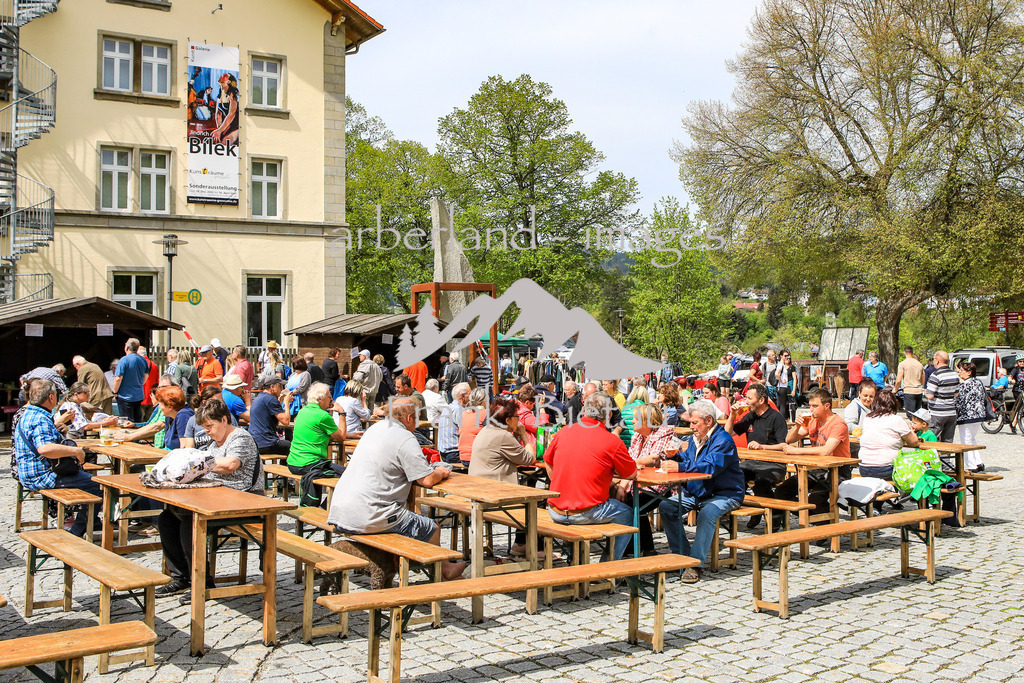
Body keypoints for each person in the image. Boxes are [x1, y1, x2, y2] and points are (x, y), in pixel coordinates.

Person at [327, 398, 468, 580]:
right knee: (432, 528)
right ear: (409, 417)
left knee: (407, 519)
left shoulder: (375, 429)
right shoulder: (405, 437)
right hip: (370, 514)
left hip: (341, 510)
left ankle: (416, 563)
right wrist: (440, 472)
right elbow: (426, 480)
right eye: (417, 417)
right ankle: (442, 571)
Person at [156, 398, 264, 597]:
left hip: (244, 499)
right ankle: (181, 576)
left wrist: (198, 462)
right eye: (204, 427)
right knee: (167, 518)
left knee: (189, 519)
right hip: (219, 496)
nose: (207, 431)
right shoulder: (215, 442)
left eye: (209, 426)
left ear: (224, 420)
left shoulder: (240, 437)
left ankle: (202, 581)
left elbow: (230, 464)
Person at [658, 400, 745, 583]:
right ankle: (682, 556)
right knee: (666, 506)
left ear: (709, 421)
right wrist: (675, 456)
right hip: (698, 492)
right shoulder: (693, 439)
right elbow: (691, 460)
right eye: (690, 423)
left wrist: (680, 466)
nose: (691, 427)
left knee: (706, 514)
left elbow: (710, 467)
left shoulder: (723, 441)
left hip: (725, 492)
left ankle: (695, 564)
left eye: (695, 423)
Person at [545, 392, 637, 562]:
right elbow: (631, 474)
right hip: (585, 511)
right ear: (609, 415)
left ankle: (574, 557)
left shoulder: (564, 431)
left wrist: (559, 485)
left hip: (555, 509)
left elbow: (548, 462)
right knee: (627, 513)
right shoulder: (611, 440)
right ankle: (606, 567)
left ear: (584, 411)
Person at [14, 379, 100, 537]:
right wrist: (76, 451)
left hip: (31, 472)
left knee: (89, 482)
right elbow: (45, 449)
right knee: (99, 486)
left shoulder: (29, 413)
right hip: (43, 475)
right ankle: (76, 533)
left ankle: (89, 521)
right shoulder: (40, 418)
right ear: (51, 397)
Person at [469, 395, 535, 553]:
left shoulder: (487, 430)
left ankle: (521, 544)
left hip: (479, 489)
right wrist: (524, 436)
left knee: (531, 487)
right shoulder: (502, 436)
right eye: (516, 417)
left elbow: (514, 453)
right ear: (507, 420)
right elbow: (530, 458)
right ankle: (525, 546)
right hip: (494, 494)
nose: (519, 421)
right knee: (537, 501)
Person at [726, 383, 788, 529]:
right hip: (752, 463)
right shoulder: (750, 416)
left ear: (761, 400)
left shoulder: (776, 417)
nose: (746, 401)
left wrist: (762, 447)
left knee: (761, 482)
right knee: (731, 475)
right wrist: (732, 415)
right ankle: (749, 510)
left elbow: (784, 445)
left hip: (774, 463)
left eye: (749, 398)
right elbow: (728, 433)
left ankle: (775, 515)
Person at [617, 403, 675, 557]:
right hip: (638, 484)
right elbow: (631, 463)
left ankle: (631, 549)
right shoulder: (637, 437)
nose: (632, 422)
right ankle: (645, 549)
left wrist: (632, 464)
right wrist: (622, 487)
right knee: (620, 501)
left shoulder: (664, 433)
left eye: (636, 419)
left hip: (660, 486)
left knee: (631, 506)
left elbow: (654, 458)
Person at [777, 388, 852, 508]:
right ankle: (785, 521)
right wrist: (797, 426)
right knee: (782, 491)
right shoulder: (812, 420)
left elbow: (826, 451)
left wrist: (796, 451)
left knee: (814, 501)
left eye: (815, 406)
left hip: (837, 470)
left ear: (827, 406)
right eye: (810, 405)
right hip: (816, 469)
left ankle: (822, 523)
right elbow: (789, 439)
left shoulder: (838, 424)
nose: (811, 409)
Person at [287, 382, 346, 480]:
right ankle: (333, 496)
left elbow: (318, 432)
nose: (331, 399)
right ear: (320, 399)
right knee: (347, 473)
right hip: (309, 464)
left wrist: (352, 434)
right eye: (329, 396)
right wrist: (341, 412)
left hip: (292, 463)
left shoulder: (302, 411)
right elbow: (341, 437)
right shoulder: (323, 416)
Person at [857, 390, 920, 480]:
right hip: (885, 468)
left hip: (864, 467)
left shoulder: (868, 418)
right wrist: (910, 429)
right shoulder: (896, 419)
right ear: (894, 405)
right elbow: (913, 442)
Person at [249, 376, 293, 456]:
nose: (281, 389)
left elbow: (275, 418)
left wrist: (280, 401)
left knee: (286, 446)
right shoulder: (270, 399)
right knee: (293, 447)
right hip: (267, 443)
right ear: (272, 387)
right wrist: (287, 403)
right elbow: (286, 421)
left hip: (255, 442)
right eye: (280, 386)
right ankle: (285, 468)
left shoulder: (260, 397)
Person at [954, 362, 986, 471]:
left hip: (967, 415)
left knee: (966, 440)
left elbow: (960, 401)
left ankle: (972, 465)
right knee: (972, 438)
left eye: (961, 371)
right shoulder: (978, 382)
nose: (959, 373)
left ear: (968, 372)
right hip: (979, 413)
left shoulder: (964, 384)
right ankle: (978, 461)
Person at [180, 386, 233, 451]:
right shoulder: (192, 420)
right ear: (204, 402)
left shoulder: (227, 417)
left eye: (222, 400)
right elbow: (189, 447)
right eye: (216, 401)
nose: (221, 403)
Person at [112, 338, 149, 422]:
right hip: (138, 395)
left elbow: (118, 378)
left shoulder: (124, 360)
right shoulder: (143, 360)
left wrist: (115, 391)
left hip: (125, 396)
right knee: (137, 420)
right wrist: (139, 383)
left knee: (126, 421)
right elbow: (146, 376)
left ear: (127, 348)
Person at [925, 350, 958, 442]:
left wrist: (925, 392)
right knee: (948, 440)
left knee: (932, 437)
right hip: (951, 411)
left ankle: (932, 456)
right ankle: (946, 456)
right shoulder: (954, 374)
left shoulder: (936, 375)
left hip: (938, 412)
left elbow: (930, 395)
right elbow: (956, 393)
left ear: (937, 361)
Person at [437, 382, 471, 464]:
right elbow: (467, 431)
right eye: (470, 394)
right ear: (462, 396)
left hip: (444, 453)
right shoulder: (459, 410)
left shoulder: (448, 408)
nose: (471, 397)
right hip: (454, 453)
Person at [154, 385, 194, 450]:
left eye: (161, 404)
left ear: (170, 406)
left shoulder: (183, 415)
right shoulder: (169, 416)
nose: (159, 407)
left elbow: (184, 446)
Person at [458, 387, 489, 464]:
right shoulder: (485, 413)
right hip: (476, 457)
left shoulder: (464, 413)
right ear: (484, 401)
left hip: (463, 457)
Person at [895, 345, 926, 412]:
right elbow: (923, 380)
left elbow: (898, 379)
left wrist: (895, 389)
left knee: (910, 413)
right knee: (917, 414)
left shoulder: (902, 364)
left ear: (905, 353)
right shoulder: (919, 364)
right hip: (918, 390)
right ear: (912, 353)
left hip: (909, 390)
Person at [773, 350, 798, 420]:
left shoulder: (787, 366)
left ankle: (786, 418)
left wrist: (794, 389)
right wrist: (781, 380)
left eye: (788, 357)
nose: (787, 358)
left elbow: (795, 378)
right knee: (782, 405)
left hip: (785, 386)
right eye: (785, 356)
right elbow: (776, 374)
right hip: (782, 387)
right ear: (781, 356)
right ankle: (781, 420)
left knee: (782, 404)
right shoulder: (780, 364)